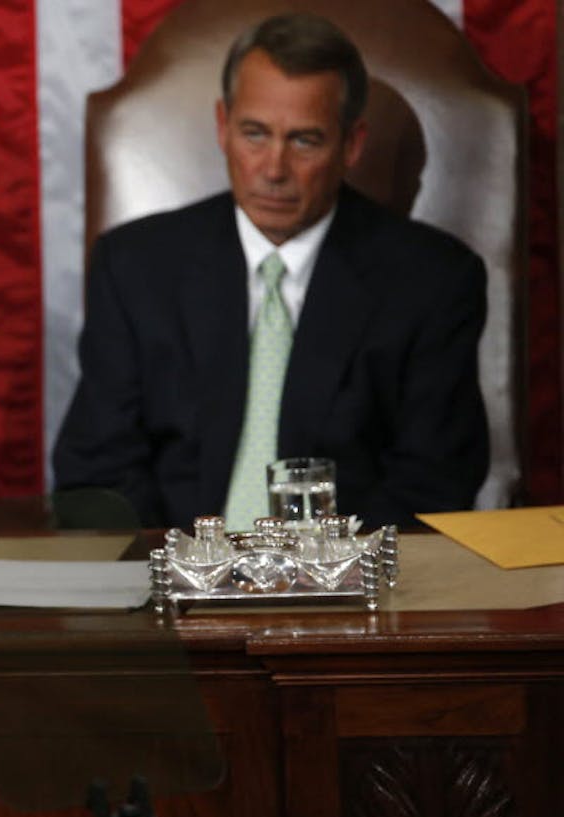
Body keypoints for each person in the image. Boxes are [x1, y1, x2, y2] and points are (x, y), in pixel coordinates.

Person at [52, 12, 488, 530]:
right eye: (254, 134)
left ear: (351, 145)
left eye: (304, 140)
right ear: (222, 126)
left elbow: (434, 484)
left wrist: (322, 585)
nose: (274, 169)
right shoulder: (135, 267)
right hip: (169, 587)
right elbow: (97, 472)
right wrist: (171, 583)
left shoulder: (433, 282)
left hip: (347, 591)